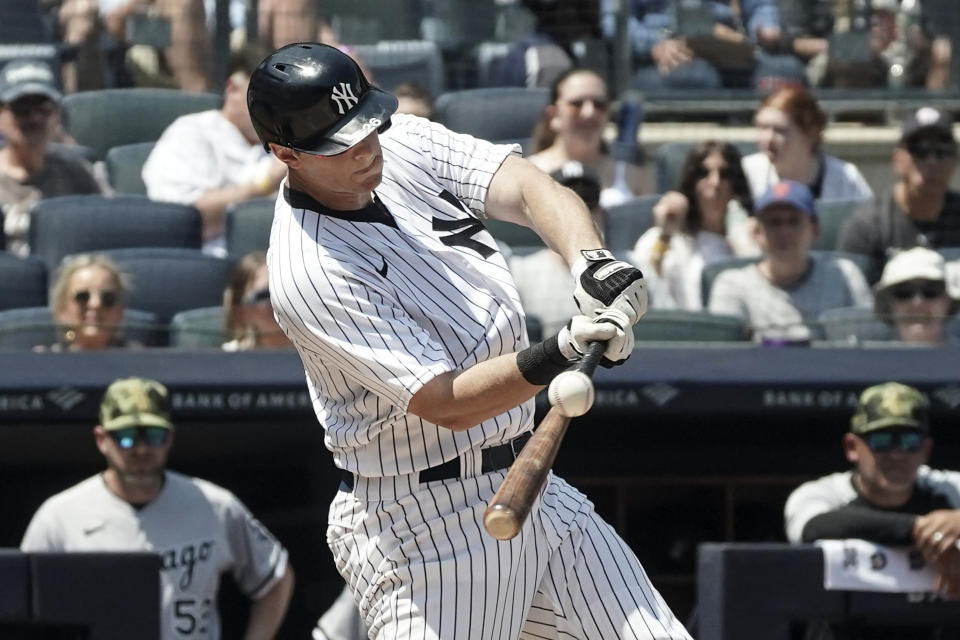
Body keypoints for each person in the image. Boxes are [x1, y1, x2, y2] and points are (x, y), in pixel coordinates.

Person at [248, 42, 688, 640]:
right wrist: (560, 349)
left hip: (534, 488)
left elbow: (534, 189)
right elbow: (445, 402)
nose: (366, 148)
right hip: (425, 528)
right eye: (339, 142)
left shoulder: (402, 142)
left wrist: (593, 264)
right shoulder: (310, 271)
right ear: (285, 153)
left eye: (367, 125)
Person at [21, 376, 295, 640]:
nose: (141, 449)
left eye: (153, 435)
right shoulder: (59, 516)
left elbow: (276, 577)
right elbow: (22, 609)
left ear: (170, 438)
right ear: (102, 439)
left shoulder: (215, 505)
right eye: (126, 436)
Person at [784, 382, 960, 636]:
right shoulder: (825, 493)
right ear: (852, 447)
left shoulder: (946, 489)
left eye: (910, 441)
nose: (897, 454)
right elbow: (810, 527)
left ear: (926, 449)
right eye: (882, 440)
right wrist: (916, 529)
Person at [142, 44, 286, 256]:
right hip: (215, 266)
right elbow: (182, 221)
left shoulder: (291, 141)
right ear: (232, 89)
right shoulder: (191, 132)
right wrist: (263, 184)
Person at [708, 179, 872, 341]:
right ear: (757, 232)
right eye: (774, 223)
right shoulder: (733, 286)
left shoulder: (844, 277)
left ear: (815, 229)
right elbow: (723, 360)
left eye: (794, 222)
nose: (784, 233)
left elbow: (869, 344)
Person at [631, 141, 754, 310]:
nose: (715, 182)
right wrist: (666, 233)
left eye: (725, 174)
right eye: (703, 173)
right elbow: (647, 278)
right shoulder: (666, 238)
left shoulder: (748, 236)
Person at [838, 107, 960, 275]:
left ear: (954, 161)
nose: (932, 161)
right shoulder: (868, 225)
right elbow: (851, 291)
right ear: (897, 160)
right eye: (920, 150)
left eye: (942, 151)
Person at [0, 58, 103, 256]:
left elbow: (108, 229)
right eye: (22, 108)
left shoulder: (78, 172)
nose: (34, 118)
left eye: (44, 107)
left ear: (57, 114)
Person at [601, 0, 806, 91]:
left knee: (788, 72)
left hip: (729, 50)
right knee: (698, 77)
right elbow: (613, 23)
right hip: (666, 57)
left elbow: (761, 5)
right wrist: (656, 44)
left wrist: (765, 28)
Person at [528, 68, 650, 209]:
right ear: (553, 115)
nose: (589, 113)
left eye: (599, 105)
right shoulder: (527, 173)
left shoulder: (633, 177)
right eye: (577, 104)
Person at [510, 161, 606, 336]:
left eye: (586, 201)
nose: (578, 212)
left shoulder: (626, 270)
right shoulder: (518, 271)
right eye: (565, 204)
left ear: (601, 211)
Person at [741, 86, 874, 202]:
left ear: (810, 134)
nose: (768, 139)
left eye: (780, 131)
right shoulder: (747, 173)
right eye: (763, 128)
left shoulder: (846, 178)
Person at [57, 0, 212, 91]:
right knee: (80, 12)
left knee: (182, 4)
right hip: (135, 19)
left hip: (215, 18)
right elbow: (114, 20)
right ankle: (71, 115)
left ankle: (201, 105)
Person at [44, 253, 133, 351]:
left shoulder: (140, 361)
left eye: (108, 297)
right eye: (82, 296)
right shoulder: (43, 362)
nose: (95, 303)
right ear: (62, 309)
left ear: (120, 311)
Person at [873, 246, 959, 345]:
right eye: (904, 292)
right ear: (889, 303)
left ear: (947, 301)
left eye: (931, 290)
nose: (918, 302)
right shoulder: (866, 359)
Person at [222, 250, 290, 350]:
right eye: (266, 295)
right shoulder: (223, 360)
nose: (278, 301)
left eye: (285, 292)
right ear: (241, 311)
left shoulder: (318, 355)